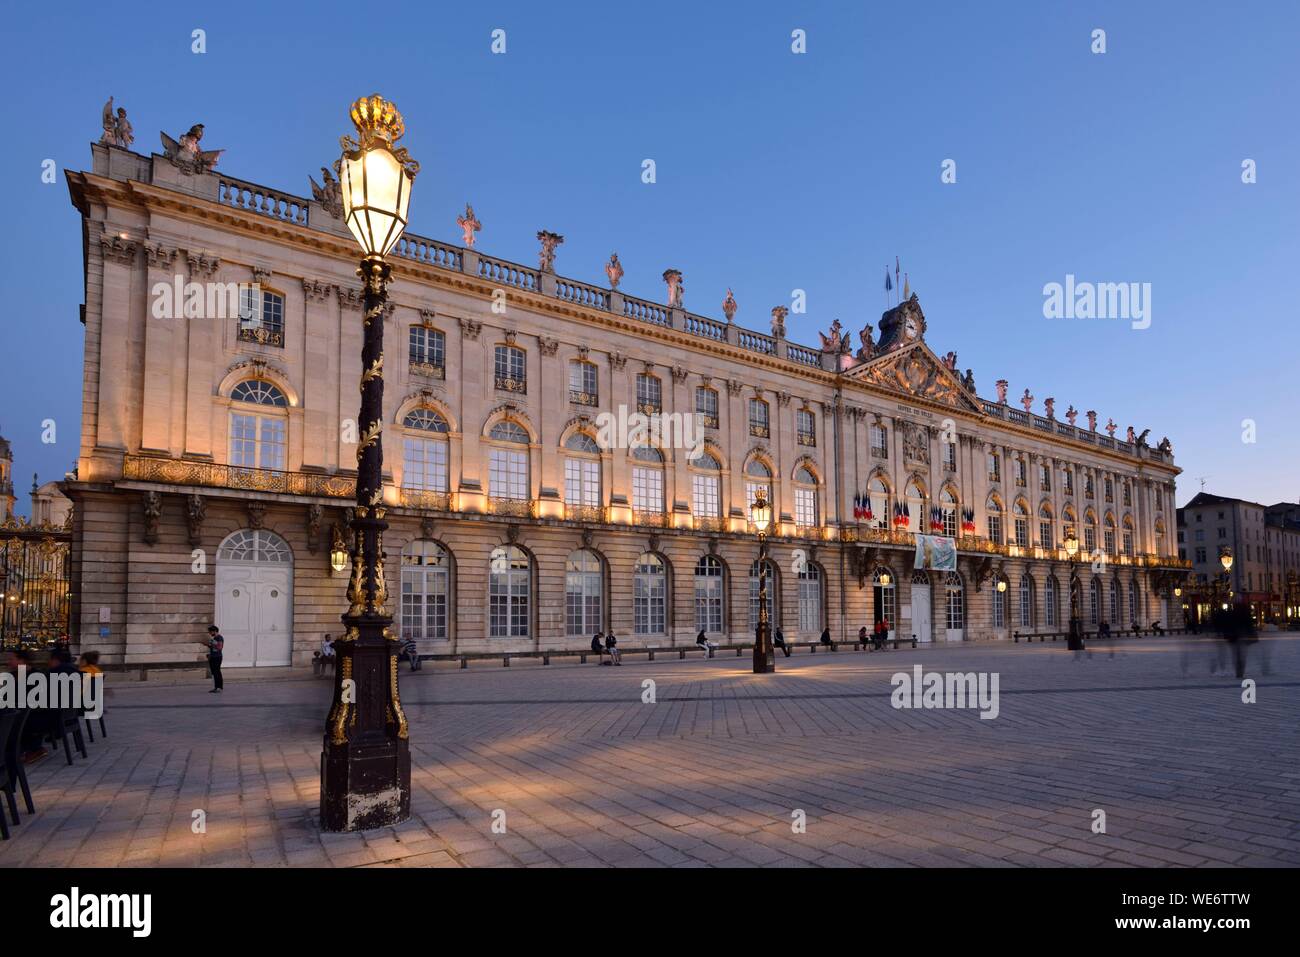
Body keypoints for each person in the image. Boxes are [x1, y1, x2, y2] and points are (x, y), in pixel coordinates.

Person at [206, 624, 224, 693]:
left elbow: (219, 647)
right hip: (213, 657)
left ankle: (219, 687)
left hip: (217, 657)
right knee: (214, 672)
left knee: (217, 672)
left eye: (210, 632)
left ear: (214, 631)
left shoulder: (219, 638)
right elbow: (213, 647)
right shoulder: (214, 638)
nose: (210, 633)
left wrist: (212, 643)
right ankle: (216, 687)